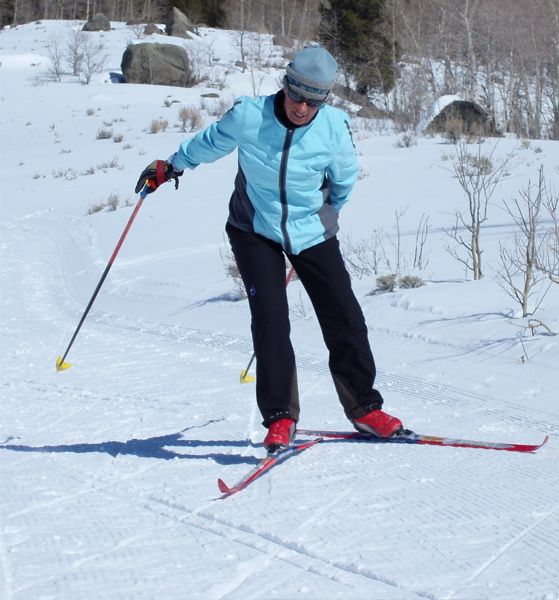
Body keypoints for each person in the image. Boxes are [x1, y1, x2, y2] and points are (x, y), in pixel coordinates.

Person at [135, 45, 404, 453]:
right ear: (286, 86)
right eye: (297, 96)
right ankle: (280, 418)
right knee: (271, 318)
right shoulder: (249, 116)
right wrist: (171, 166)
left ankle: (365, 408)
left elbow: (345, 178)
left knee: (344, 316)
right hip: (253, 229)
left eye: (314, 101)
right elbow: (208, 143)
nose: (302, 107)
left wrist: (329, 213)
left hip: (311, 231)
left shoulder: (334, 127)